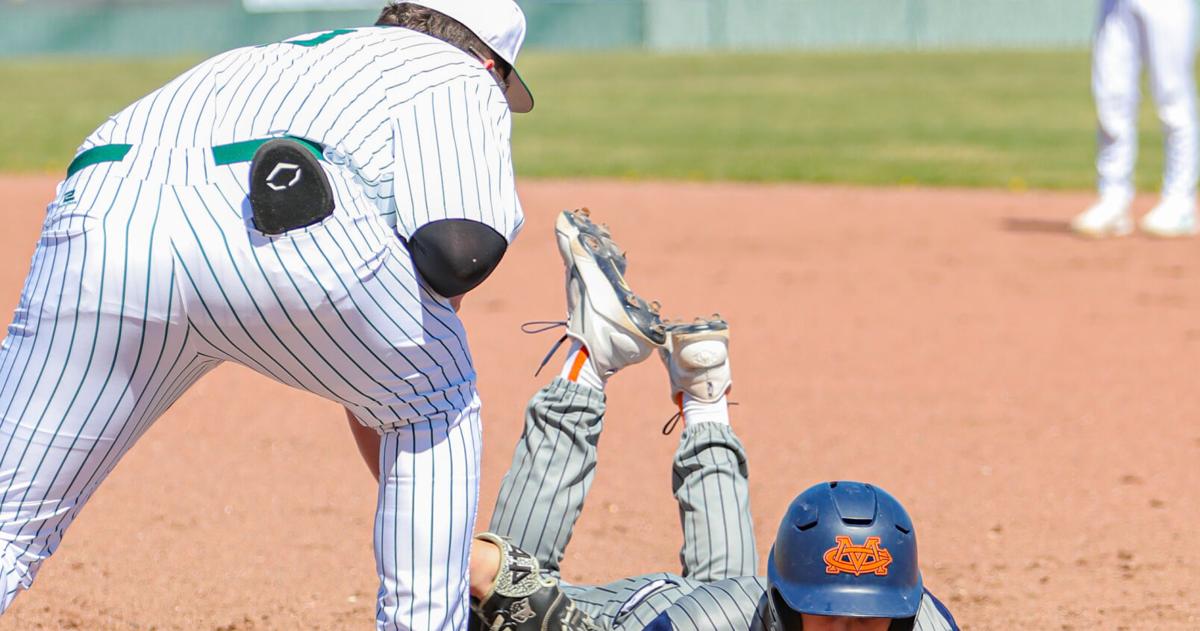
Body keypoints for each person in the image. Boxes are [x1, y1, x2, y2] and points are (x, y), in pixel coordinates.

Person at [0, 2, 531, 628]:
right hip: (285, 214)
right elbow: (457, 252)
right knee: (439, 397)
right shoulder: (456, 72)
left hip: (103, 212)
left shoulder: (273, 57)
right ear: (491, 61)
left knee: (10, 520)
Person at [354, 209, 959, 630]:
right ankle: (591, 357)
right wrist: (489, 574)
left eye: (867, 621)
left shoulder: (925, 623)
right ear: (787, 604)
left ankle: (705, 392)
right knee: (492, 605)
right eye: (830, 617)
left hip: (720, 610)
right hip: (619, 620)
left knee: (725, 592)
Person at [1073, 0, 1198, 238]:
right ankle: (1113, 198)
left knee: (1173, 98)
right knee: (1111, 98)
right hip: (1116, 6)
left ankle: (1180, 202)